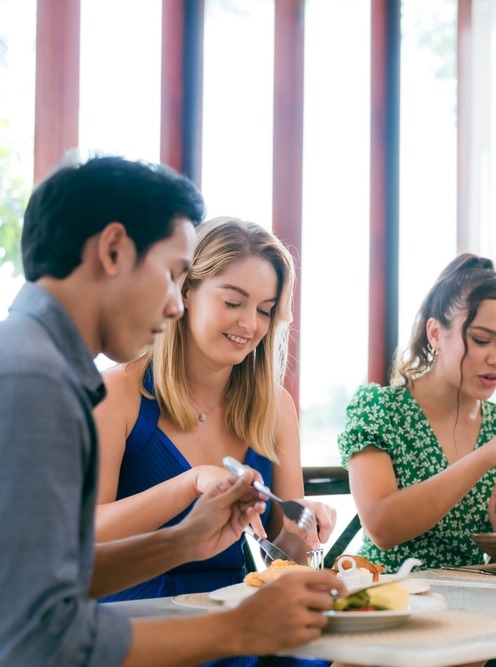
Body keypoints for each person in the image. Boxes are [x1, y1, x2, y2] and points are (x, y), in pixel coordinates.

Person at [0, 155, 345, 667]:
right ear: (113, 249)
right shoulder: (35, 378)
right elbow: (35, 634)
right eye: (171, 275)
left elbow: (55, 575)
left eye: (266, 310)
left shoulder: (34, 361)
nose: (175, 304)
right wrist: (237, 630)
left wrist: (182, 542)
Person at [338, 253, 496, 572]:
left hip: (477, 612)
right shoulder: (380, 410)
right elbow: (381, 527)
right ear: (435, 334)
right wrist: (486, 455)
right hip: (390, 600)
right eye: (482, 340)